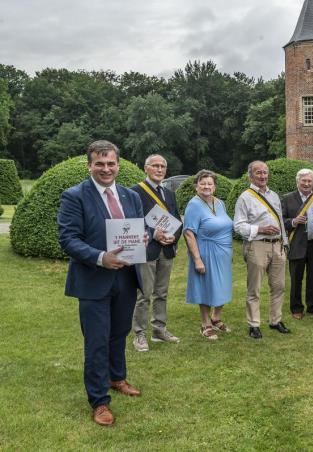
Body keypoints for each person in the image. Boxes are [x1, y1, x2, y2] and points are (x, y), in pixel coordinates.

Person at [57, 140, 146, 426]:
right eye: (100, 163)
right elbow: (68, 238)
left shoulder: (130, 195)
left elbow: (138, 227)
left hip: (126, 277)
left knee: (119, 332)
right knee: (96, 341)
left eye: (111, 163)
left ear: (118, 165)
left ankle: (117, 377)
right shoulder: (74, 196)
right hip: (94, 278)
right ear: (90, 165)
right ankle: (99, 400)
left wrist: (143, 238)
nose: (106, 168)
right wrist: (100, 257)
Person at [130, 154, 182, 352]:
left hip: (166, 250)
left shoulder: (169, 194)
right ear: (146, 168)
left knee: (162, 292)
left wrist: (173, 236)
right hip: (146, 249)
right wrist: (153, 233)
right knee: (144, 294)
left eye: (163, 167)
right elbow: (131, 220)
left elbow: (177, 220)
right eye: (155, 166)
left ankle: (159, 329)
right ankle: (140, 334)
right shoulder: (135, 192)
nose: (160, 170)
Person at [234, 160, 290, 339]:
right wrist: (260, 229)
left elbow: (280, 220)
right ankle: (254, 324)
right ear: (251, 175)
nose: (263, 176)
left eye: (265, 172)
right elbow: (238, 226)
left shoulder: (273, 195)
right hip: (257, 245)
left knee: (279, 286)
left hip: (277, 245)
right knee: (254, 288)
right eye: (258, 173)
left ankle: (275, 320)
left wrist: (285, 242)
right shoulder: (245, 197)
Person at [183, 170, 233, 341]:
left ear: (215, 186)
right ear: (196, 186)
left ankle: (216, 317)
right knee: (205, 287)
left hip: (224, 252)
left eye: (209, 184)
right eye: (202, 183)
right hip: (206, 252)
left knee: (223, 285)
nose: (206, 187)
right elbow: (189, 233)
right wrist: (197, 259)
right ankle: (205, 323)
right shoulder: (194, 205)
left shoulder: (220, 203)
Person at [282, 169, 313, 319]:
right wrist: (294, 221)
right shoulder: (287, 199)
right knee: (296, 277)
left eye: (309, 181)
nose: (307, 184)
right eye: (304, 181)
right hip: (297, 243)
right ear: (298, 182)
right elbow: (280, 221)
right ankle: (296, 308)